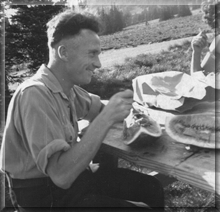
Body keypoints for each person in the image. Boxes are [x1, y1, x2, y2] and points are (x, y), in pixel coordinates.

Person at [0, 10, 164, 211]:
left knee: (151, 187)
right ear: (64, 53)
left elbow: (99, 107)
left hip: (71, 182)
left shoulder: (65, 88)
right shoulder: (34, 95)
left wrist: (134, 112)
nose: (98, 63)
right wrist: (106, 118)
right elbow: (61, 176)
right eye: (92, 53)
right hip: (44, 197)